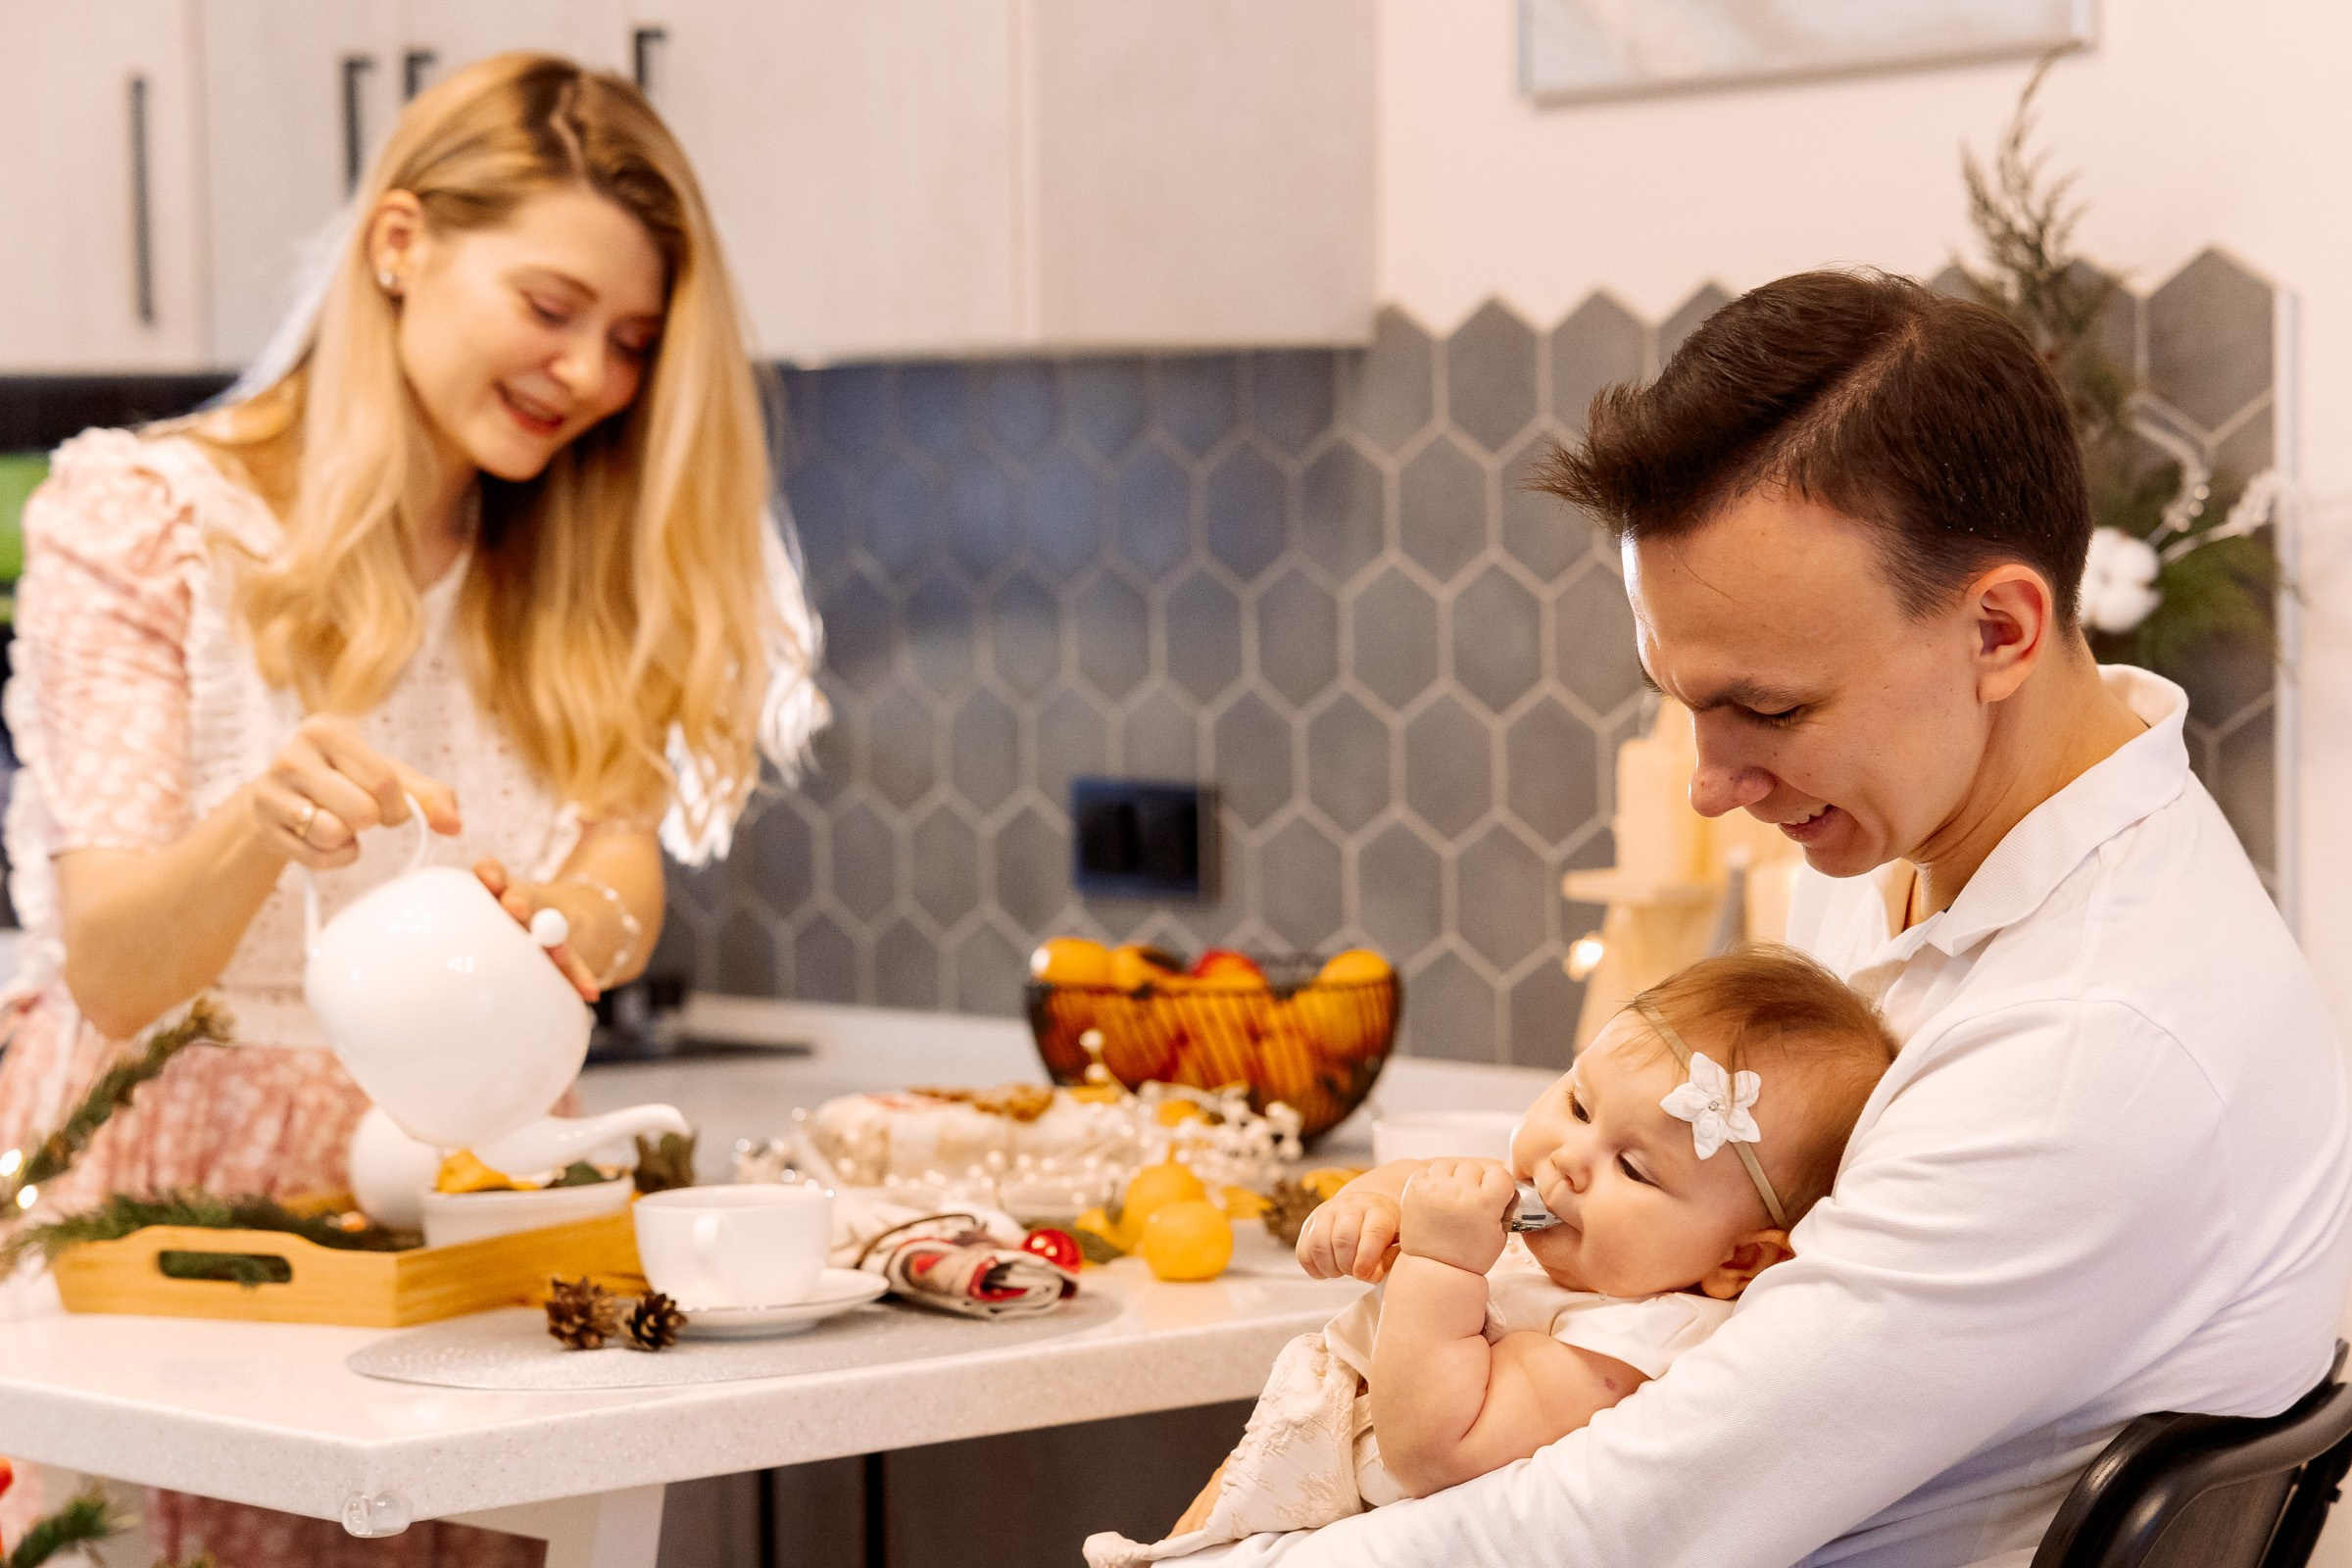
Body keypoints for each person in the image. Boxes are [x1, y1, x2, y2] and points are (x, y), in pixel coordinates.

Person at [1174, 269, 2352, 1567]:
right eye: (1683, 699)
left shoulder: (2095, 1045)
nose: (1711, 783)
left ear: (1999, 630)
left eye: (1773, 710)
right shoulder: (1893, 841)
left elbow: (1620, 1527)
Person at [0, 54, 822, 1567]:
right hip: (170, 1236)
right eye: (551, 307)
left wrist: (569, 922)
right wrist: (261, 824)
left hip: (477, 1233)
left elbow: (619, 860)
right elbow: (110, 968)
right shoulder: (144, 518)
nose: (589, 374)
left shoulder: (583, 551)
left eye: (632, 341)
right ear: (401, 244)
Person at [1089, 949, 1896, 1566]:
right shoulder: (1559, 1234)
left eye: (1634, 1168)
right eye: (1578, 1104)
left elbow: (1434, 1447)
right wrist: (1371, 1205)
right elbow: (1418, 1184)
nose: (1571, 1159)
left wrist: (1439, 1262)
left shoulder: (1626, 1346)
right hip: (1279, 1484)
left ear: (1738, 1260)